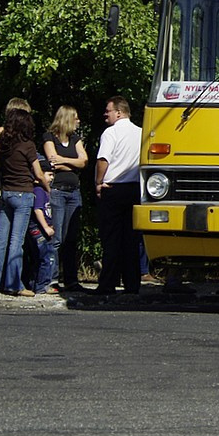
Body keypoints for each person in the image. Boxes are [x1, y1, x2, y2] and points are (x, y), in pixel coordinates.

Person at [0, 108, 51, 296]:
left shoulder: (2, 144)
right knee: (17, 241)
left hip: (6, 193)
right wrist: (46, 188)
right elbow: (38, 172)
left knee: (1, 239)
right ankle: (14, 285)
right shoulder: (28, 145)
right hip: (23, 194)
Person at [94, 96, 143, 295]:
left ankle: (108, 283)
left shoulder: (111, 133)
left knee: (111, 238)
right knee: (131, 239)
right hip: (134, 189)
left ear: (119, 112)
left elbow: (103, 159)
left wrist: (98, 182)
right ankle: (132, 284)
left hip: (113, 188)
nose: (105, 114)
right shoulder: (141, 132)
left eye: (108, 110)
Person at [42, 106, 88, 292]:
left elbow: (84, 161)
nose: (78, 121)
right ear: (67, 119)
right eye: (76, 118)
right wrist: (72, 163)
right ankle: (51, 279)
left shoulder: (76, 139)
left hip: (74, 191)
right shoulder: (49, 137)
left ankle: (71, 280)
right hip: (57, 191)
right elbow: (51, 161)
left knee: (71, 237)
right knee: (57, 237)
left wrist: (63, 161)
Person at [27, 159, 57, 295]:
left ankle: (34, 284)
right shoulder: (39, 191)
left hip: (40, 229)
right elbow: (38, 210)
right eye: (49, 174)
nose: (51, 178)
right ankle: (42, 286)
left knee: (38, 258)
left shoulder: (42, 191)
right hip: (39, 230)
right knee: (46, 257)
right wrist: (45, 227)